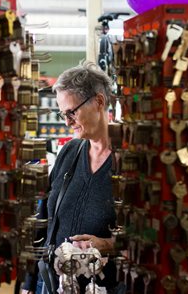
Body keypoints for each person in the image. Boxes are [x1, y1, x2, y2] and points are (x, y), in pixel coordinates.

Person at [21, 61, 119, 294]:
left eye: (72, 112)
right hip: (53, 284)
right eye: (62, 114)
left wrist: (109, 245)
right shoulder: (69, 152)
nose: (67, 122)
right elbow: (45, 220)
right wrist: (28, 283)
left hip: (103, 287)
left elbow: (147, 237)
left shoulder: (129, 163)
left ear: (99, 102)